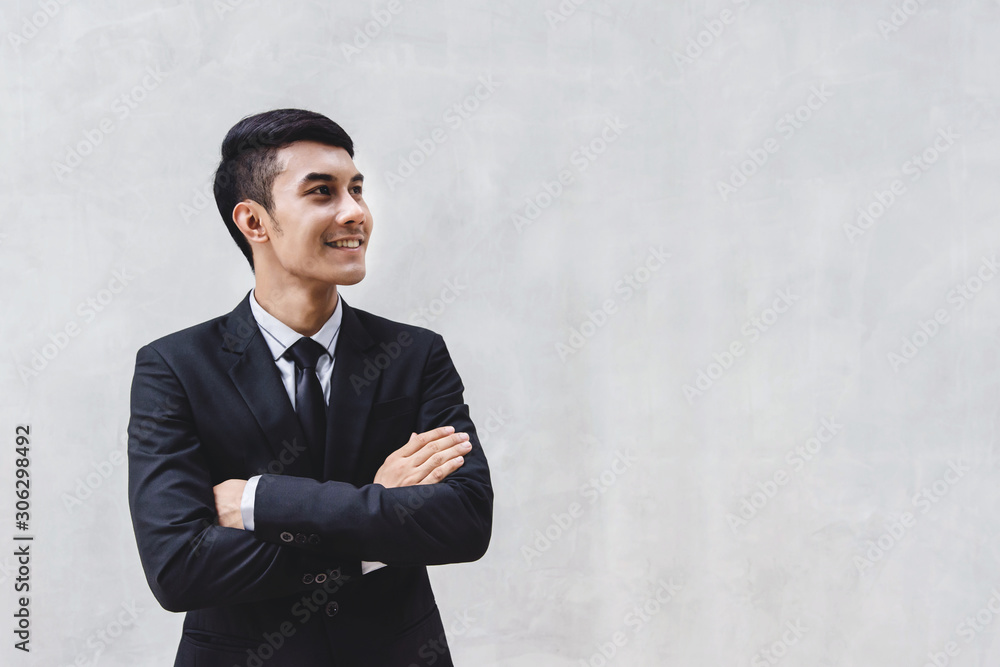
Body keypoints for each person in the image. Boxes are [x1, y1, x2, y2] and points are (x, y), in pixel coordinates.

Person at [126, 108, 493, 666]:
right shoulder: (174, 367)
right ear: (254, 222)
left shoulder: (415, 355)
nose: (355, 213)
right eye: (322, 192)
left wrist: (258, 500)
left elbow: (464, 523)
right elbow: (179, 568)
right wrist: (377, 528)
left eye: (357, 190)